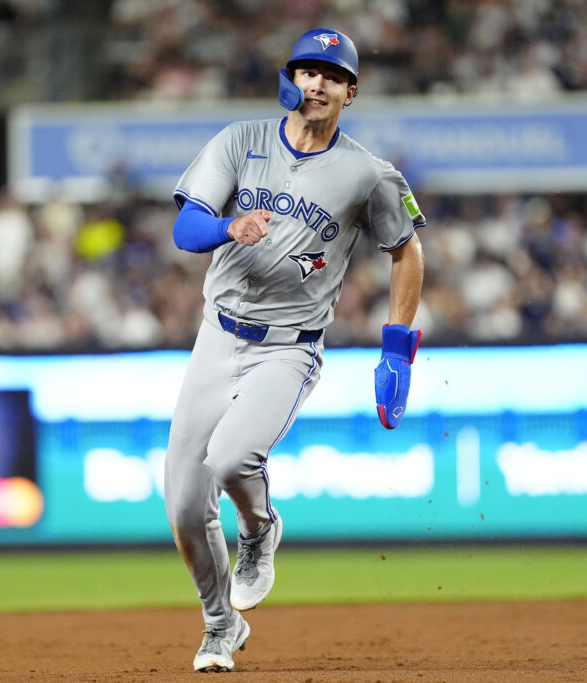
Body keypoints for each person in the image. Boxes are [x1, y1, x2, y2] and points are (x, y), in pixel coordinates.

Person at [163, 28, 427, 673]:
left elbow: (407, 251)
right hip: (218, 334)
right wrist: (230, 224)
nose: (317, 83)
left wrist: (398, 349)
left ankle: (259, 531)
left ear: (349, 92)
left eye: (331, 75)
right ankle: (220, 625)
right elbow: (185, 225)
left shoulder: (369, 174)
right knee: (181, 502)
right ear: (291, 79)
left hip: (288, 347)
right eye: (307, 70)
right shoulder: (240, 141)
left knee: (230, 459)